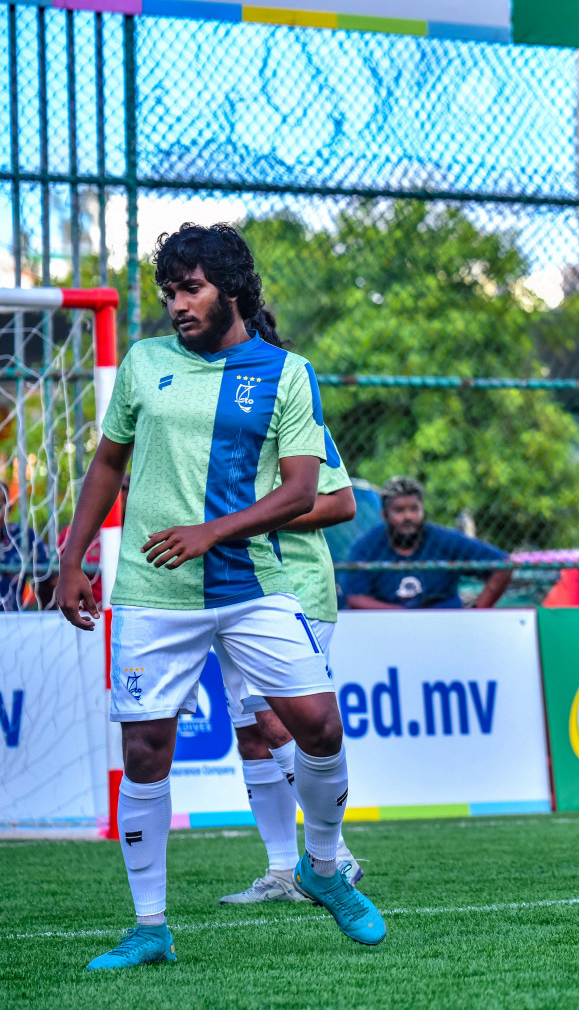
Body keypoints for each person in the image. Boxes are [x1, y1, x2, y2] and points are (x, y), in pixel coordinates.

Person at [54, 223, 384, 970]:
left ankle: (323, 869)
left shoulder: (286, 372)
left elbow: (306, 490)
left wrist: (212, 531)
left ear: (231, 288)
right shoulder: (143, 363)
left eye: (191, 288)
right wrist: (73, 558)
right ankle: (149, 927)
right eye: (169, 291)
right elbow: (108, 463)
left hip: (253, 585)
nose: (177, 304)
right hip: (151, 589)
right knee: (145, 750)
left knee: (318, 726)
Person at [218, 308, 363, 904]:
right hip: (231, 586)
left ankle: (336, 860)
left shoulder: (293, 407)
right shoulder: (213, 423)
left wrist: (248, 519)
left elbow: (341, 502)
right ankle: (283, 871)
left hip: (296, 585)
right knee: (252, 731)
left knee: (278, 717)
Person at [343, 475, 511, 609]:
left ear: (422, 511)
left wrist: (478, 610)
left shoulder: (445, 539)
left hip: (445, 625)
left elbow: (503, 565)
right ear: (385, 515)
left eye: (414, 509)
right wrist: (402, 616)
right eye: (399, 510)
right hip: (389, 628)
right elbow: (355, 597)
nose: (408, 516)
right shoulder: (366, 546)